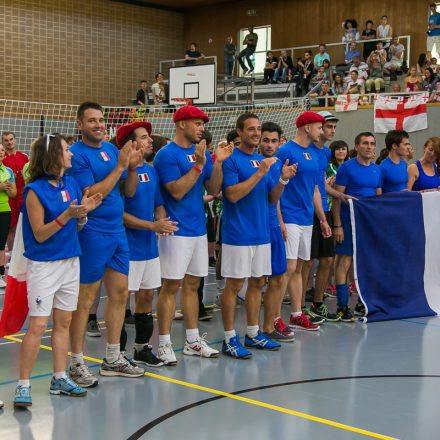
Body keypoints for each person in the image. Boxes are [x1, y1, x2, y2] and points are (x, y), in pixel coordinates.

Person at [13, 134, 102, 408]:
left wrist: (83, 213)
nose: (71, 154)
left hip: (70, 262)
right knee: (38, 326)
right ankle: (23, 385)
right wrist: (68, 214)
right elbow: (40, 234)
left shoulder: (73, 183)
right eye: (66, 150)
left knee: (63, 323)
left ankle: (59, 378)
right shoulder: (34, 191)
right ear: (53, 155)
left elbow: (76, 227)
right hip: (44, 265)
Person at [68, 102, 144, 388]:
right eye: (92, 121)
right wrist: (122, 166)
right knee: (85, 299)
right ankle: (76, 362)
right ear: (79, 125)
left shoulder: (112, 150)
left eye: (101, 120)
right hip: (93, 232)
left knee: (120, 294)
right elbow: (93, 193)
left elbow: (129, 190)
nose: (98, 125)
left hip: (117, 232)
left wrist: (132, 168)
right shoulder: (76, 155)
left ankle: (113, 357)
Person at [153, 105, 233, 365]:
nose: (202, 128)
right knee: (170, 286)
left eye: (202, 124)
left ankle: (192, 340)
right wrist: (199, 166)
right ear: (181, 124)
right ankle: (163, 344)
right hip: (176, 230)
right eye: (197, 123)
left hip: (198, 228)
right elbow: (175, 191)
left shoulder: (203, 154)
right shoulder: (167, 155)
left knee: (193, 285)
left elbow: (214, 187)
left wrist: (217, 162)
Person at [221, 114, 297, 359]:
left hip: (262, 233)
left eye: (258, 129)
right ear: (240, 132)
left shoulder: (264, 161)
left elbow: (272, 198)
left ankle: (253, 333)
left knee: (257, 283)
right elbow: (232, 195)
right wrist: (260, 173)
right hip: (238, 233)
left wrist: (283, 178)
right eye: (250, 129)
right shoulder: (231, 160)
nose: (255, 133)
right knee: (234, 286)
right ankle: (229, 337)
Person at [116, 122, 178, 366]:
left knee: (146, 297)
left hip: (149, 247)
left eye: (149, 137)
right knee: (121, 300)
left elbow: (158, 204)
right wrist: (152, 226)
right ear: (131, 144)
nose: (150, 140)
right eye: (144, 137)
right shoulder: (120, 172)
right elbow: (120, 212)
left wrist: (162, 221)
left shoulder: (151, 171)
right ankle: (117, 352)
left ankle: (141, 348)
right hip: (127, 246)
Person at [276, 111, 332, 332]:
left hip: (307, 218)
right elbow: (277, 186)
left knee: (300, 267)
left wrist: (323, 219)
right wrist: (279, 219)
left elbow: (316, 189)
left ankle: (297, 314)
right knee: (288, 268)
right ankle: (274, 318)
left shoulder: (316, 155)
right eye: (319, 126)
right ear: (307, 127)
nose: (322, 130)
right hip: (289, 216)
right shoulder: (286, 151)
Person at [333, 133, 382, 321]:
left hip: (368, 223)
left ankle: (363, 301)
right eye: (365, 143)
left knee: (365, 262)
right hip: (348, 221)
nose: (369, 147)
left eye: (372, 144)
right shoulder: (346, 168)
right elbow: (338, 198)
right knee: (345, 261)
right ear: (357, 146)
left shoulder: (377, 170)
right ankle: (342, 306)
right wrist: (337, 225)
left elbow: (378, 199)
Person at [259, 122, 295, 342]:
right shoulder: (253, 162)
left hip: (273, 224)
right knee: (254, 282)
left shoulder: (281, 164)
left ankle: (269, 326)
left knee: (278, 277)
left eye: (274, 141)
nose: (270, 145)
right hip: (254, 227)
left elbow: (275, 198)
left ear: (280, 142)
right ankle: (250, 331)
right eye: (266, 140)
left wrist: (280, 221)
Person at [2, 131, 29, 252]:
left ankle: (23, 253)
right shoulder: (2, 158)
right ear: (3, 143)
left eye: (11, 139)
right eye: (6, 140)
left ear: (15, 140)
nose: (9, 142)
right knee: (11, 228)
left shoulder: (24, 157)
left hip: (23, 197)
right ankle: (12, 255)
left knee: (25, 226)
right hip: (9, 198)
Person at [0, 144, 17, 288]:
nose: (0, 152)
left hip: (4, 210)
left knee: (1, 244)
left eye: (1, 150)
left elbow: (13, 194)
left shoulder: (8, 171)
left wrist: (9, 187)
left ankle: (0, 275)